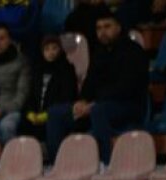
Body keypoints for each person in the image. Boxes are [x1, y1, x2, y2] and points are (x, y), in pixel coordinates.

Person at [45, 11, 148, 166]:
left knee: (98, 111)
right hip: (97, 104)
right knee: (55, 113)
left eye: (107, 27)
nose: (102, 32)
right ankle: (57, 165)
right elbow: (89, 83)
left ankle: (105, 163)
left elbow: (127, 87)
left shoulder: (134, 51)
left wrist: (93, 104)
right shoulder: (99, 52)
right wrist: (82, 101)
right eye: (99, 28)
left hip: (128, 106)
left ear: (118, 28)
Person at [19, 34, 78, 145]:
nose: (51, 52)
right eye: (47, 49)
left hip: (54, 115)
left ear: (60, 50)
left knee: (54, 122)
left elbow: (67, 96)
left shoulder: (67, 69)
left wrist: (46, 115)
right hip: (36, 115)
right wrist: (30, 113)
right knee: (22, 120)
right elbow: (31, 95)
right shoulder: (37, 70)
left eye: (54, 48)